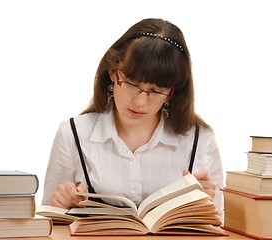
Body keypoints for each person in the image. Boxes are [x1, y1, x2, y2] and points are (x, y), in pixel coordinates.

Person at [41, 18, 224, 216]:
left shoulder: (201, 140)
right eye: (132, 84)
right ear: (113, 72)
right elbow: (48, 223)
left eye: (155, 91)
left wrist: (206, 208)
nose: (140, 102)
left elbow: (220, 227)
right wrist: (60, 206)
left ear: (172, 91)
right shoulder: (73, 134)